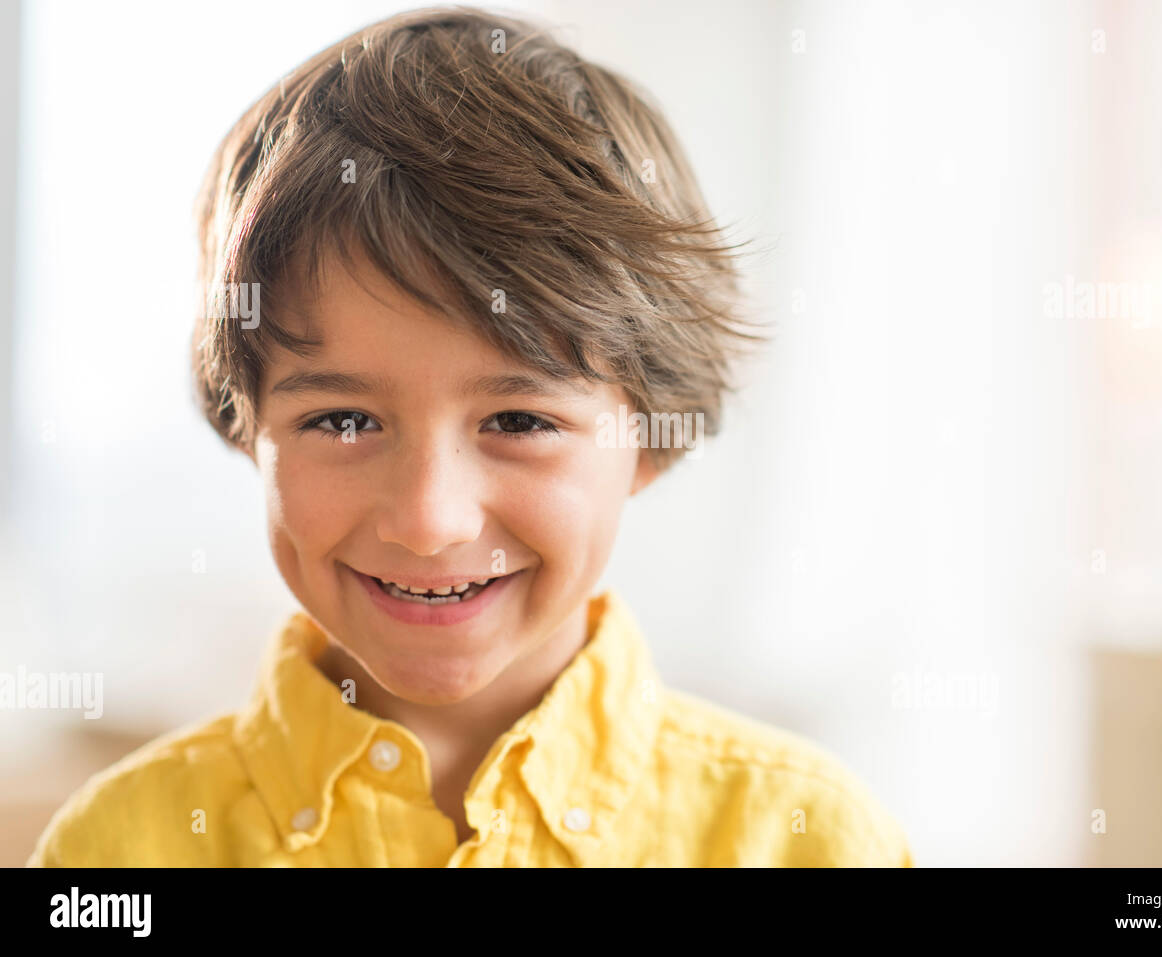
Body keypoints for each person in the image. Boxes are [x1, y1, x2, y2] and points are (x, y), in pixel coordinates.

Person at [28, 5, 911, 867]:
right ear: (246, 425)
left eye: (520, 421)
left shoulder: (811, 840)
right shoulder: (112, 851)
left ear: (650, 436)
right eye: (342, 420)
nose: (429, 520)